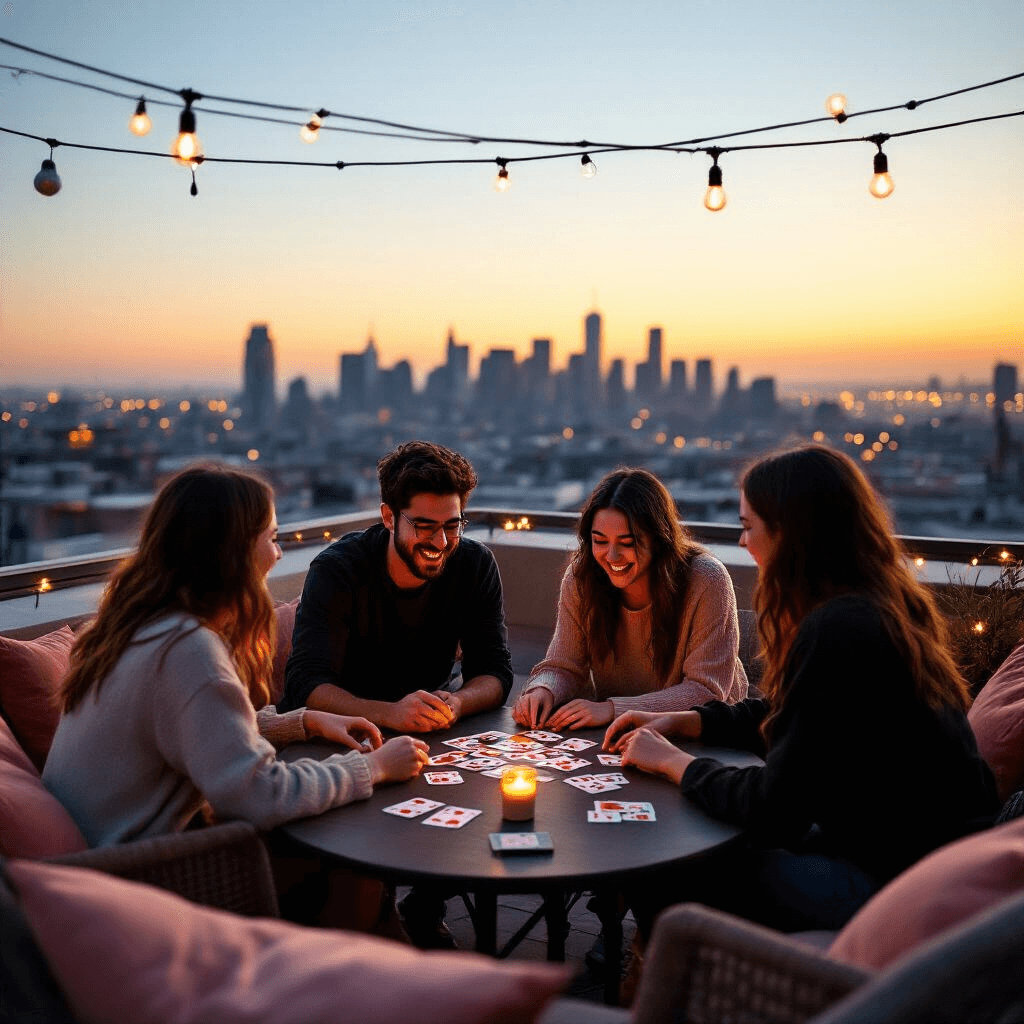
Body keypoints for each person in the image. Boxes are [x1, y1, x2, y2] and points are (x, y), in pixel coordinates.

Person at [605, 444, 999, 938]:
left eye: (749, 526)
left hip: (897, 888)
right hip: (926, 863)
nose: (743, 540)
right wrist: (693, 720)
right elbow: (799, 711)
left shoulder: (836, 627)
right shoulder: (877, 607)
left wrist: (672, 762)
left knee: (660, 862)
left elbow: (776, 810)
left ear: (790, 533)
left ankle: (688, 992)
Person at [43, 463, 429, 852]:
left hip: (98, 863)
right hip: (141, 876)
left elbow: (197, 733)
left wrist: (304, 722)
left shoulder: (134, 628)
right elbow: (260, 795)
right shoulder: (186, 650)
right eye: (273, 538)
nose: (278, 554)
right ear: (235, 551)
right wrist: (373, 767)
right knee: (350, 843)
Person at [279, 440, 514, 946]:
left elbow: (495, 673)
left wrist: (458, 701)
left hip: (434, 727)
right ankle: (375, 931)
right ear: (389, 516)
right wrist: (391, 713)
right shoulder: (339, 569)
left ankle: (425, 907)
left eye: (452, 525)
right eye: (424, 526)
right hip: (345, 736)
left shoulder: (474, 565)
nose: (441, 542)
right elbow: (304, 687)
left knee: (479, 795)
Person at [513, 468, 747, 733]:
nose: (612, 556)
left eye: (627, 543)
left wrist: (612, 709)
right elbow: (564, 665)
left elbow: (705, 691)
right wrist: (543, 689)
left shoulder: (707, 579)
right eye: (599, 541)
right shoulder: (583, 577)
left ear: (658, 540)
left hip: (705, 735)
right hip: (619, 732)